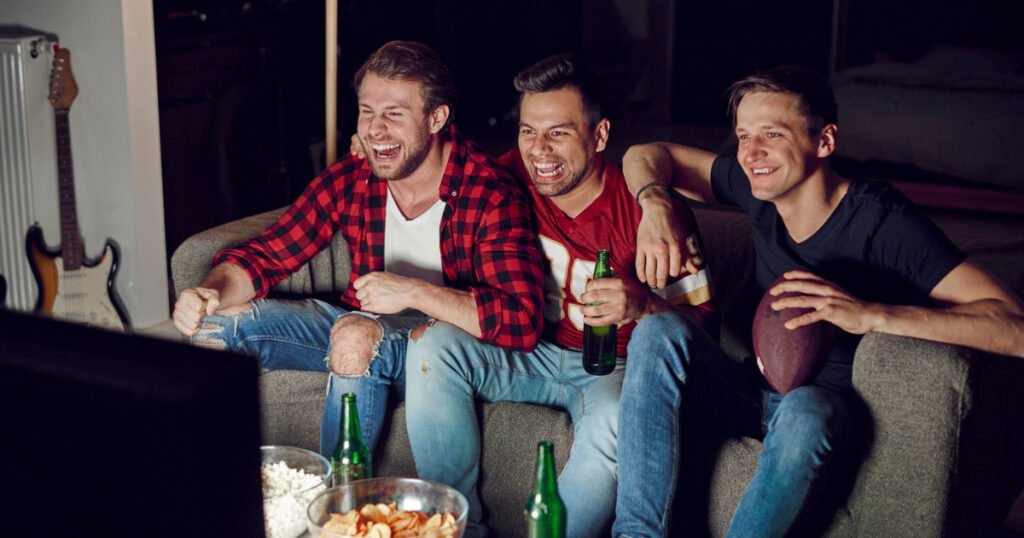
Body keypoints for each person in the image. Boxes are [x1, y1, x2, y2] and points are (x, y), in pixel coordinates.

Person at [617, 65, 1024, 537]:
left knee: (806, 409)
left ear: (824, 142)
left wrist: (871, 314)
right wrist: (656, 203)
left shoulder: (880, 222)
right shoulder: (757, 189)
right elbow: (650, 153)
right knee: (656, 330)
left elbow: (1014, 328)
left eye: (772, 134)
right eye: (743, 135)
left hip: (823, 414)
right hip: (750, 393)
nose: (751, 153)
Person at [171, 41, 545, 457]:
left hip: (438, 351)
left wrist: (412, 292)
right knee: (215, 326)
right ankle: (211, 484)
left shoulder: (488, 193)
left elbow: (520, 321)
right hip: (362, 322)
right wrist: (210, 291)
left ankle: (339, 507)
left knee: (352, 336)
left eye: (394, 114)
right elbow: (268, 254)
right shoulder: (353, 178)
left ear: (437, 117)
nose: (374, 129)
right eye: (367, 111)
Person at [400, 54, 714, 537]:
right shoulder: (509, 178)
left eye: (559, 133)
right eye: (528, 131)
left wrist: (645, 305)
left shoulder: (648, 214)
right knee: (431, 345)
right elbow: (431, 157)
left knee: (617, 414)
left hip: (616, 369)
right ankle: (454, 528)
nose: (539, 150)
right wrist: (379, 142)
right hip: (528, 353)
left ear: (600, 136)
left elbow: (702, 335)